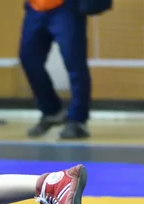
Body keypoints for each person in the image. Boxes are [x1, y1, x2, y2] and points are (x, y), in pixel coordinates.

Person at [19, 0, 91, 140]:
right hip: (35, 7)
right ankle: (51, 111)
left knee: (74, 62)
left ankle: (78, 120)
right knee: (29, 59)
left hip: (66, 7)